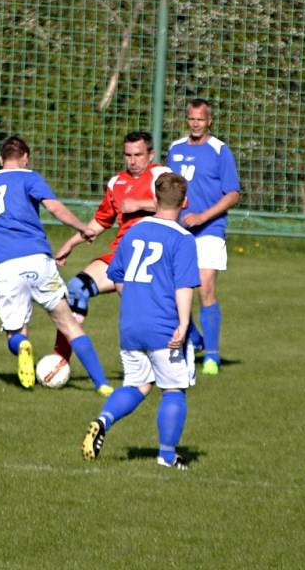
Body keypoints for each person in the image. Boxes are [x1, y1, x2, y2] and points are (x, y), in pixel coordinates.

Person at [0, 135, 113, 395]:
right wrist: (81, 227)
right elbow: (54, 208)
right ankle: (102, 384)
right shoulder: (29, 177)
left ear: (0, 160)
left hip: (5, 267)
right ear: (25, 159)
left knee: (15, 332)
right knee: (69, 324)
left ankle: (22, 345)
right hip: (38, 260)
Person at [81, 172, 200, 470]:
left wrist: (137, 300)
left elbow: (116, 275)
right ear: (184, 202)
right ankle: (167, 456)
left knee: (138, 385)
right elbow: (184, 285)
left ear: (155, 200)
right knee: (173, 389)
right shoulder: (183, 238)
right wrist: (184, 323)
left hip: (131, 324)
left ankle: (103, 419)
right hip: (163, 326)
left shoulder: (134, 231)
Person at [53, 131, 171, 360]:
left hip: (150, 254)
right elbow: (101, 221)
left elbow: (179, 203)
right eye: (128, 155)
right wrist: (71, 243)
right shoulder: (116, 182)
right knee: (77, 288)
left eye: (138, 154)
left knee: (141, 312)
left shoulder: (161, 174)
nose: (132, 160)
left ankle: (186, 339)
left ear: (151, 154)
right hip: (121, 253)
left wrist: (140, 204)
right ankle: (60, 360)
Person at [166, 98, 241, 375]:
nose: (196, 123)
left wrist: (203, 216)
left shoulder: (220, 150)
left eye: (201, 119)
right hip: (179, 231)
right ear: (187, 120)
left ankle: (212, 356)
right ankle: (196, 339)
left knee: (204, 286)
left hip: (209, 229)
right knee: (170, 289)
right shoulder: (175, 149)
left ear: (209, 120)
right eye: (191, 118)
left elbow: (233, 193)